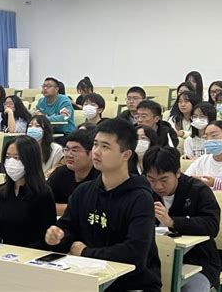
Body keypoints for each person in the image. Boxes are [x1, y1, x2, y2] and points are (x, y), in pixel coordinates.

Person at [45, 118, 161, 292]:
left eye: (105, 147)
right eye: (95, 145)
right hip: (88, 278)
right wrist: (58, 236)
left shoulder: (141, 198)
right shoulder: (83, 191)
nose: (96, 152)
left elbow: (134, 254)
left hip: (132, 284)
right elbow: (68, 230)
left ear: (126, 155)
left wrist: (85, 252)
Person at [144, 146, 221, 291]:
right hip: (154, 260)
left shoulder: (198, 190)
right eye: (151, 179)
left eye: (164, 179)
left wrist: (173, 222)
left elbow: (212, 225)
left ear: (178, 172)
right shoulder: (145, 191)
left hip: (197, 261)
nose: (158, 186)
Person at [0, 135, 56, 248]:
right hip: (4, 255)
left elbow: (46, 238)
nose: (11, 162)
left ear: (30, 160)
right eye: (7, 157)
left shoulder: (43, 193)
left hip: (32, 256)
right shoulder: (0, 192)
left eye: (17, 158)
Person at [47, 129, 100, 216]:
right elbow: (44, 204)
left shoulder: (101, 177)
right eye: (66, 149)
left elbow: (96, 211)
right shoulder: (60, 173)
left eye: (74, 150)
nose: (68, 155)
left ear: (92, 153)